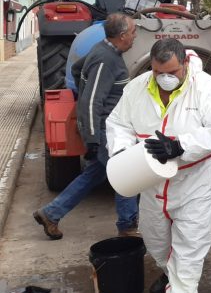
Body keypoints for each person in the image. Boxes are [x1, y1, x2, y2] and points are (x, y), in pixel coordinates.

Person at [106, 39, 211, 293]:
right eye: (158, 71)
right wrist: (121, 150)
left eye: (172, 71)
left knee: (190, 243)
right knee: (155, 237)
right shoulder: (137, 88)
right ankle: (169, 272)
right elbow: (118, 123)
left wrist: (179, 146)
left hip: (193, 181)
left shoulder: (209, 89)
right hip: (151, 181)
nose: (165, 77)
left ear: (185, 63)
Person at [34, 14, 139, 240]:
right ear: (122, 36)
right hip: (104, 130)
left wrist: (85, 85)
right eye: (133, 32)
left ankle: (51, 213)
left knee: (95, 174)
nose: (135, 36)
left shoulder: (103, 49)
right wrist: (91, 138)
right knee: (125, 174)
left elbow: (77, 70)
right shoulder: (106, 60)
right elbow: (91, 101)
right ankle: (127, 226)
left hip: (105, 128)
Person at [65, 20, 106, 95]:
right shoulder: (104, 51)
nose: (135, 35)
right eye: (132, 33)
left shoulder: (89, 35)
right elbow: (76, 68)